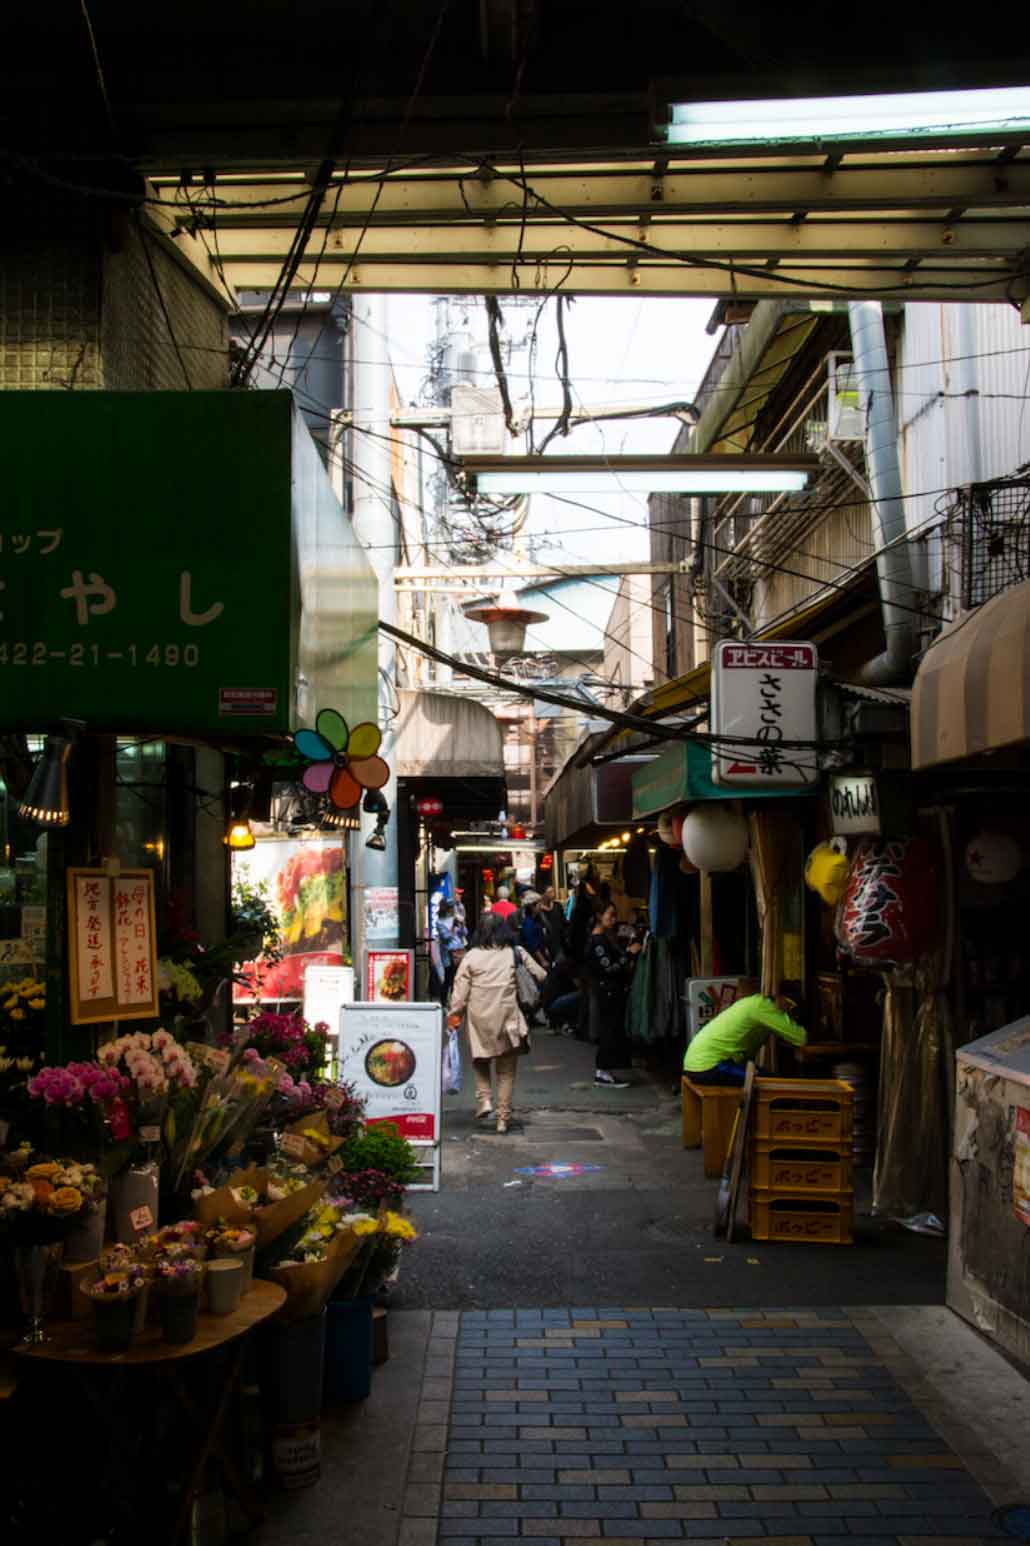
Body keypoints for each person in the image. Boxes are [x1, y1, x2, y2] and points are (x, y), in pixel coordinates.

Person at [447, 912, 546, 1135]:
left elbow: (460, 994)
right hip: (507, 1017)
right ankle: (502, 1119)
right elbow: (541, 975)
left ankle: (484, 1100)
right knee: (506, 1071)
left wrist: (454, 1017)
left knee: (480, 1058)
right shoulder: (515, 952)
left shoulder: (471, 956)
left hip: (479, 1018)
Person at [683, 980, 807, 1084]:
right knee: (773, 1085)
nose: (789, 1009)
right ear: (778, 996)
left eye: (793, 1007)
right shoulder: (763, 1006)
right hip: (709, 1066)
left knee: (768, 1077)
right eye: (789, 1004)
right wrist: (786, 1018)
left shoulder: (752, 1003)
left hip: (698, 1063)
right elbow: (801, 1038)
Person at [583, 900, 639, 1088]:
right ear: (600, 916)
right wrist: (628, 955)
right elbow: (609, 968)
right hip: (607, 990)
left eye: (615, 915)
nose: (614, 919)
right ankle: (603, 1071)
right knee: (608, 1029)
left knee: (611, 1028)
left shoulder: (603, 938)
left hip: (608, 990)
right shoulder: (598, 940)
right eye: (610, 915)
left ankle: (605, 1070)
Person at [435, 899, 464, 1003]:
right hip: (448, 953)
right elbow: (446, 936)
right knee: (449, 978)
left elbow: (464, 932)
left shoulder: (454, 918)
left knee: (457, 978)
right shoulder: (439, 922)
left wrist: (462, 924)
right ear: (446, 908)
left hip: (459, 950)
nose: (453, 909)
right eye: (451, 907)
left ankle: (454, 1001)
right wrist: (453, 926)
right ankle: (443, 1002)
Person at [518, 891, 550, 969]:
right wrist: (542, 960)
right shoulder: (528, 923)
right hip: (536, 960)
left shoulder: (537, 919)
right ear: (532, 906)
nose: (541, 906)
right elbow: (532, 944)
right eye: (539, 904)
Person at [537, 884, 566, 960]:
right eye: (549, 892)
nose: (553, 894)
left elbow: (564, 922)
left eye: (553, 891)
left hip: (560, 942)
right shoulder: (539, 911)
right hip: (548, 945)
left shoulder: (557, 906)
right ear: (543, 895)